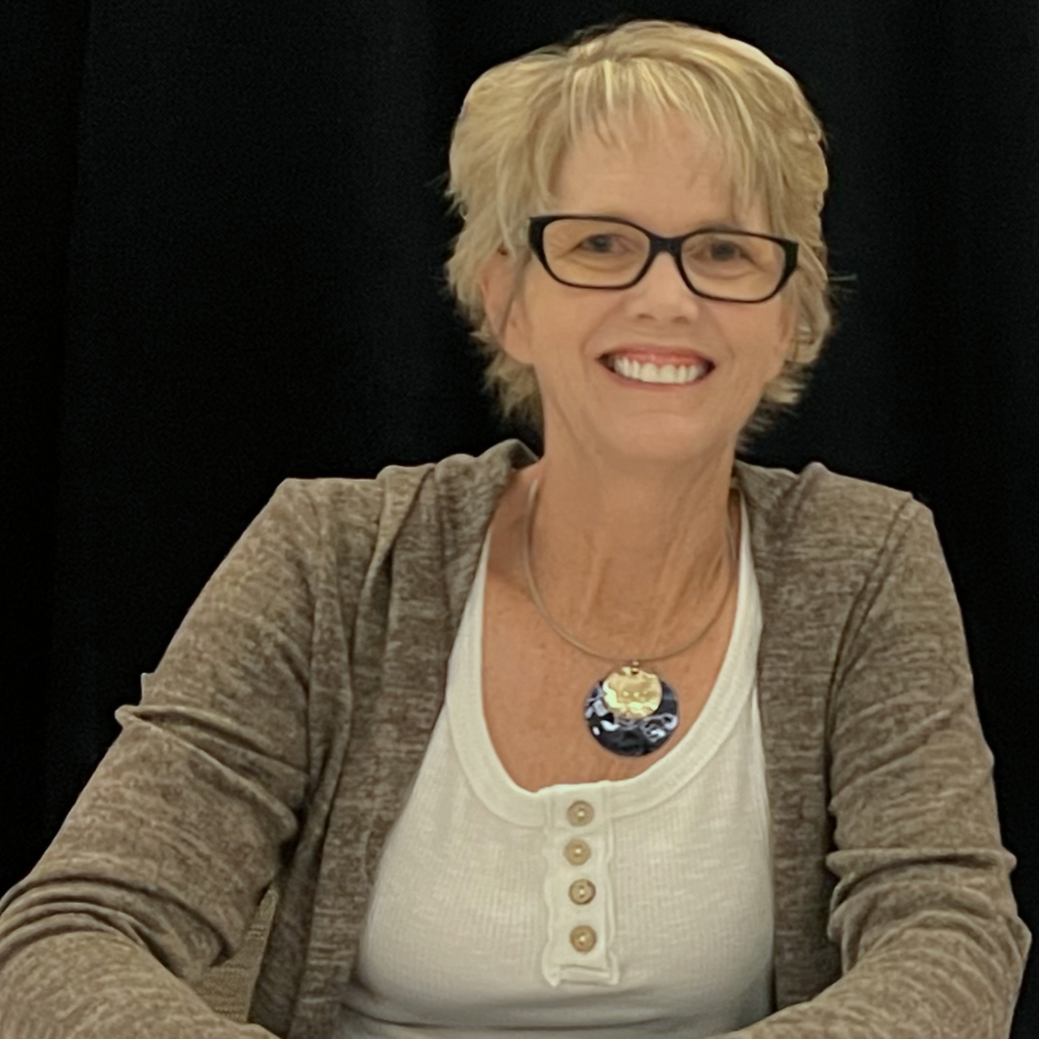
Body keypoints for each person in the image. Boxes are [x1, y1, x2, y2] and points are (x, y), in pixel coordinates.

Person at [0, 17, 1030, 1039]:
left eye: (721, 249)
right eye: (598, 244)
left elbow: (946, 932)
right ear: (505, 301)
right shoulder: (333, 554)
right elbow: (70, 932)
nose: (664, 297)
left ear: (791, 318)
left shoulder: (863, 559)